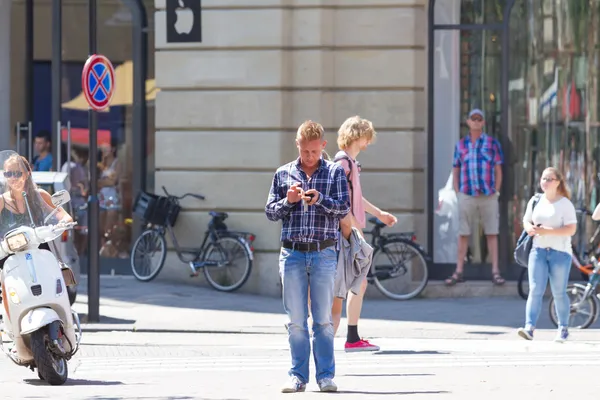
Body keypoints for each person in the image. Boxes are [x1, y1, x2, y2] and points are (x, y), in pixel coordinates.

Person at [265, 120, 350, 393]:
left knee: (323, 319)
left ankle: (325, 376)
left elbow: (343, 208)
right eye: (305, 151)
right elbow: (270, 212)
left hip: (324, 252)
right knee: (296, 320)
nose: (309, 157)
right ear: (298, 146)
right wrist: (289, 201)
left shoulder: (335, 172)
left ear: (323, 146)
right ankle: (297, 376)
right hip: (292, 254)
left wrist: (320, 200)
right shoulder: (283, 173)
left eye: (314, 151)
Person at [331, 116, 397, 352]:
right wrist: (353, 228)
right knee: (348, 284)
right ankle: (341, 337)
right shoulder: (343, 163)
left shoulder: (350, 163)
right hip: (347, 231)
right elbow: (341, 202)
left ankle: (349, 336)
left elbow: (355, 197)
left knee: (355, 282)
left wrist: (379, 214)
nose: (369, 141)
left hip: (351, 229)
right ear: (358, 136)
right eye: (367, 136)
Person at [446, 108, 505, 286]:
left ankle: (495, 271)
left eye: (480, 119)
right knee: (463, 233)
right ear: (468, 122)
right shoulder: (461, 145)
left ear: (483, 122)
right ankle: (459, 271)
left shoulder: (491, 143)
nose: (477, 121)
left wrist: (496, 191)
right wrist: (458, 191)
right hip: (467, 194)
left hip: (488, 195)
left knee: (492, 233)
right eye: (474, 118)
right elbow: (455, 168)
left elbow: (498, 168)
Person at [517, 167, 577, 342]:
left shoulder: (565, 204)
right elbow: (526, 220)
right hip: (538, 251)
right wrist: (529, 228)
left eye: (549, 179)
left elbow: (571, 229)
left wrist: (546, 231)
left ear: (558, 182)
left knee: (558, 292)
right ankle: (529, 328)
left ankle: (563, 328)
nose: (545, 182)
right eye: (543, 178)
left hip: (560, 254)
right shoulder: (536, 200)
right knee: (535, 289)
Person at [0, 154, 73, 270]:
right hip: (10, 252)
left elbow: (64, 215)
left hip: (38, 248)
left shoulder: (39, 195)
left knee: (53, 278)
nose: (13, 178)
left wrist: (62, 223)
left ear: (28, 173)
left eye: (17, 173)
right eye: (8, 174)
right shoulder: (2, 200)